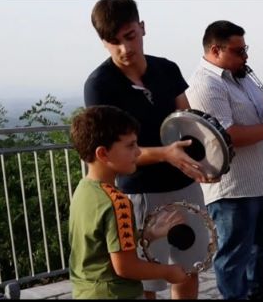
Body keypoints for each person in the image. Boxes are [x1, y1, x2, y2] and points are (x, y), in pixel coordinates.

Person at [84, 0, 212, 299]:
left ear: (142, 28)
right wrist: (166, 153)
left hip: (183, 186)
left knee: (188, 266)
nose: (125, 49)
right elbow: (115, 152)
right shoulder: (100, 85)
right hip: (139, 191)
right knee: (147, 277)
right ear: (103, 41)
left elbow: (188, 122)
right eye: (113, 41)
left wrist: (206, 161)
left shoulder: (166, 69)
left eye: (130, 36)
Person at [184, 20, 263, 300]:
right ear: (215, 50)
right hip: (235, 187)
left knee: (261, 248)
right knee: (234, 255)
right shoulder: (205, 84)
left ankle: (259, 291)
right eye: (238, 51)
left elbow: (252, 118)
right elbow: (226, 134)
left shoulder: (242, 78)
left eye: (246, 49)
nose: (245, 57)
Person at [68, 105, 189, 299]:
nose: (138, 152)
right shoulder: (117, 202)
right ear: (103, 154)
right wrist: (167, 272)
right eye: (130, 145)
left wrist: (148, 234)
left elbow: (104, 246)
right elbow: (126, 267)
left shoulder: (84, 190)